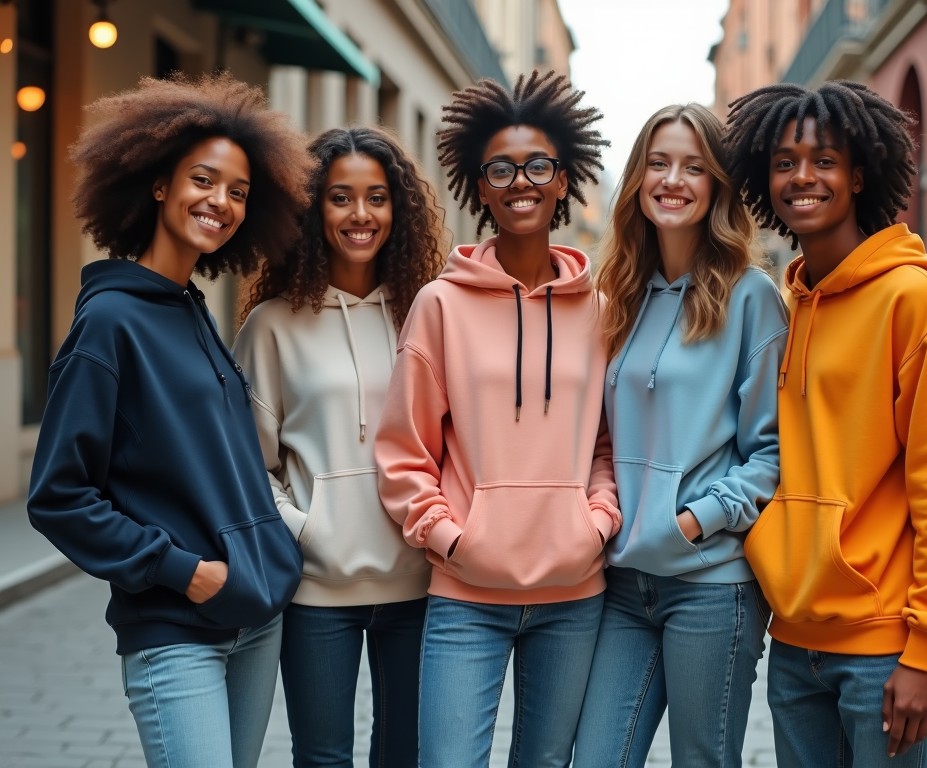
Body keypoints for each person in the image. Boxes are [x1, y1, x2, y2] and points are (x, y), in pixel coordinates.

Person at [27, 73, 311, 768]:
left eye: (238, 192)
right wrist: (183, 571)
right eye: (204, 180)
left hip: (254, 619)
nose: (220, 202)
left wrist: (268, 554)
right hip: (175, 628)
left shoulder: (194, 311)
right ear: (160, 184)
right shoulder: (110, 322)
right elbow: (59, 496)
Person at [725, 80, 927, 767]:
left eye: (824, 160)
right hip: (793, 638)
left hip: (883, 647)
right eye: (784, 162)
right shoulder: (787, 303)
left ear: (860, 174)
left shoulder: (915, 302)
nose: (802, 177)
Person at [373, 70, 620, 768]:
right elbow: (404, 449)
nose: (522, 181)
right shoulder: (440, 306)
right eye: (502, 169)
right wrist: (450, 539)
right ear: (480, 187)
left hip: (575, 596)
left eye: (538, 165)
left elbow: (608, 441)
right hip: (464, 595)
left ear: (564, 179)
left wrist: (595, 521)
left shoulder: (601, 308)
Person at [572, 103, 787, 767]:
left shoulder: (751, 297)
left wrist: (695, 520)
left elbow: (773, 449)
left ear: (717, 185)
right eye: (659, 163)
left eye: (695, 167)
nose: (674, 179)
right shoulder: (621, 294)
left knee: (703, 760)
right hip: (622, 583)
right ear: (637, 179)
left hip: (711, 583)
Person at [232, 125, 446, 767]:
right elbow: (248, 463)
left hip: (419, 585)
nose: (360, 215)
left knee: (403, 754)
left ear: (398, 208)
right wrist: (304, 530)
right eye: (340, 197)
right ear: (312, 207)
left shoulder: (427, 313)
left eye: (376, 197)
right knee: (322, 757)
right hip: (315, 591)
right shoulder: (272, 325)